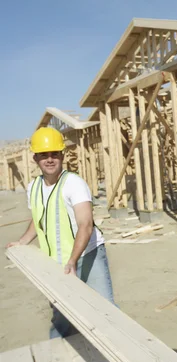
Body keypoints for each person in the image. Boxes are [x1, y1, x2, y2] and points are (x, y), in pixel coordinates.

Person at [7, 127, 115, 338]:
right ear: (35, 158)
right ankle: (59, 361)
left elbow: (86, 224)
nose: (50, 159)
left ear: (62, 156)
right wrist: (22, 241)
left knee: (106, 313)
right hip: (56, 262)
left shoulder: (74, 183)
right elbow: (39, 219)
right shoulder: (34, 187)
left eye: (54, 154)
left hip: (87, 256)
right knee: (62, 317)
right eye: (44, 155)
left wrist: (73, 261)